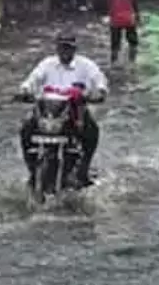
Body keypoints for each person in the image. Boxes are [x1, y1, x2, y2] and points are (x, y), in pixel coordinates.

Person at [19, 32, 108, 186]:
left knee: (92, 131)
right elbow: (32, 80)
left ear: (75, 49)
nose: (65, 51)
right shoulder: (47, 64)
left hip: (74, 113)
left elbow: (99, 82)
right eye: (62, 47)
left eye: (68, 48)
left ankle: (84, 169)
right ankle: (32, 170)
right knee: (25, 130)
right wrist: (25, 90)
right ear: (57, 48)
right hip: (46, 114)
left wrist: (97, 93)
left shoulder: (86, 65)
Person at [103, 0, 139, 64]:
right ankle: (132, 62)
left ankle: (114, 62)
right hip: (127, 15)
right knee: (133, 41)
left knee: (115, 41)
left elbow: (106, 0)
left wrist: (107, 14)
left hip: (116, 15)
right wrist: (137, 14)